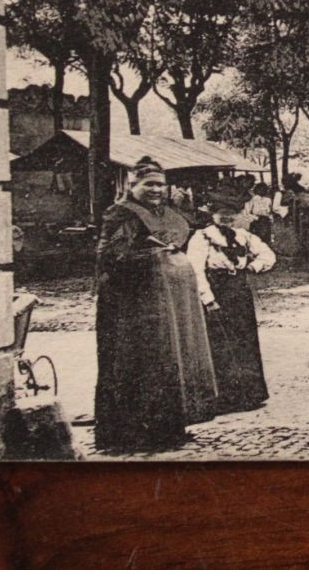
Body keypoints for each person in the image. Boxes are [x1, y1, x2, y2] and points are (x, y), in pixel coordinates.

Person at [93, 156, 217, 453]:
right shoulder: (120, 214)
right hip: (133, 306)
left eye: (161, 184)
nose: (156, 190)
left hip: (168, 304)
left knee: (170, 357)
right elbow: (110, 257)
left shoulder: (166, 212)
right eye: (149, 184)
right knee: (141, 362)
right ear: (132, 184)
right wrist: (152, 256)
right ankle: (134, 433)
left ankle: (170, 426)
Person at [187, 186, 276, 414]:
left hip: (239, 293)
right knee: (218, 342)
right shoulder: (202, 236)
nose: (226, 216)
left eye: (231, 212)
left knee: (244, 340)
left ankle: (249, 393)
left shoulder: (243, 236)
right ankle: (223, 396)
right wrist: (207, 299)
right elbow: (195, 270)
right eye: (221, 211)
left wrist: (253, 266)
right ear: (212, 213)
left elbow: (268, 255)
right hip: (216, 291)